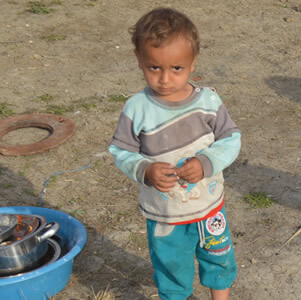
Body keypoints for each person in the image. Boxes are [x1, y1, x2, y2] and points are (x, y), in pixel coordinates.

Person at [108, 8, 240, 300]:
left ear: (193, 62)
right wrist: (145, 170)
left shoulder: (208, 102)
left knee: (218, 259)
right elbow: (121, 150)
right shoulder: (137, 109)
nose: (165, 79)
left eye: (177, 68)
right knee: (171, 269)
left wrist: (207, 163)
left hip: (209, 208)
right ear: (139, 59)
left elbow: (231, 139)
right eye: (154, 67)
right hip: (165, 215)